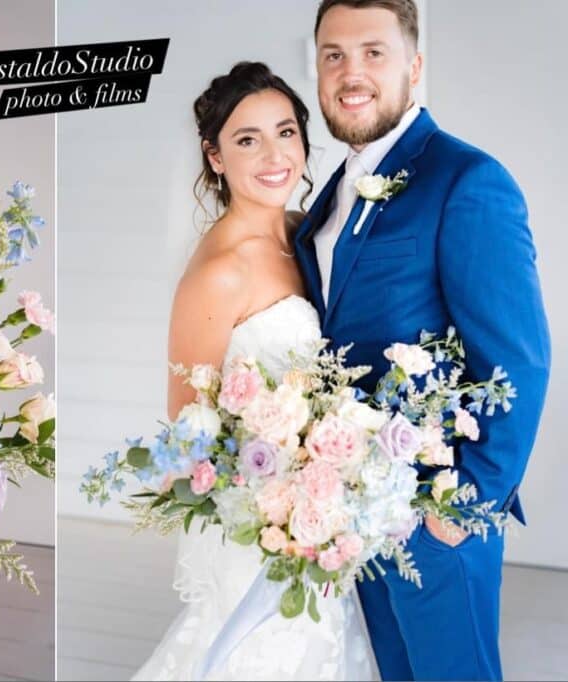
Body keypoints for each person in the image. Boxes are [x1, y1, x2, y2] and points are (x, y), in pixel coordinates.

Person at [294, 1, 550, 679]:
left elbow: (519, 356)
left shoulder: (467, 181)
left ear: (414, 65)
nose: (352, 73)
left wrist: (460, 509)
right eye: (333, 55)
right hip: (359, 512)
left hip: (439, 517)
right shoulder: (330, 195)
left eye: (373, 53)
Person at [133, 61, 378, 681]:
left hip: (317, 509)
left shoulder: (304, 232)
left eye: (286, 132)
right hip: (261, 522)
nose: (274, 155)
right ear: (215, 158)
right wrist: (279, 485)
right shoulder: (220, 271)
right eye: (248, 140)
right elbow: (187, 422)